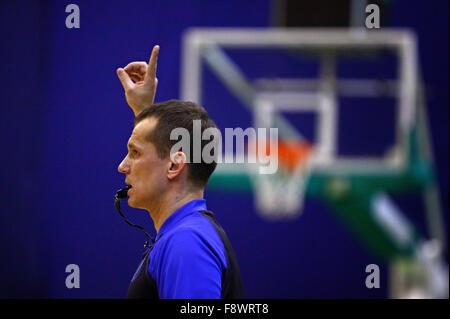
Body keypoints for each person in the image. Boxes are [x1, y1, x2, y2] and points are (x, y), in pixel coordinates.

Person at [115, 45, 244, 299]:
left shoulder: (188, 242)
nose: (123, 166)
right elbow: (162, 148)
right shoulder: (187, 233)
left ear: (175, 166)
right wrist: (143, 112)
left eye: (135, 153)